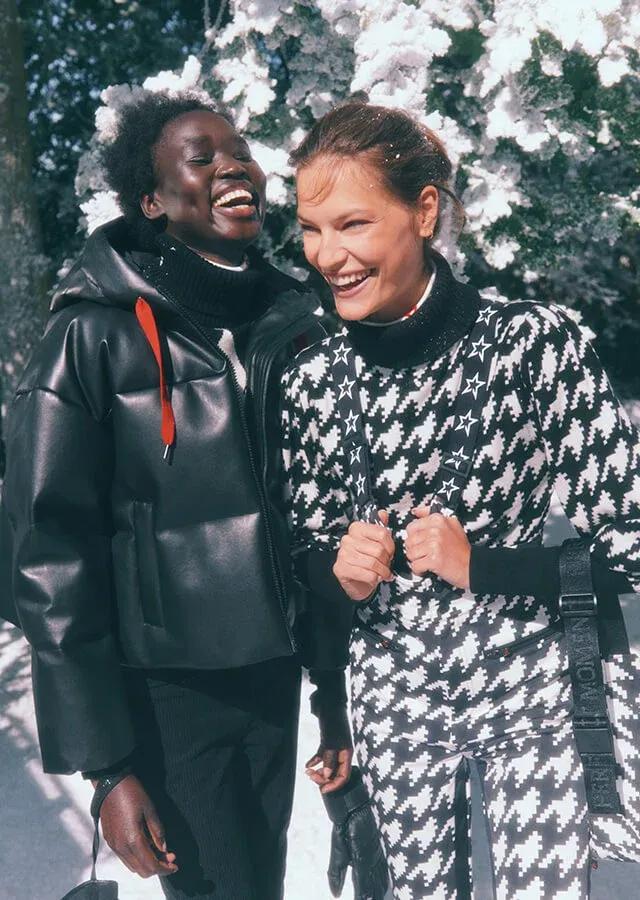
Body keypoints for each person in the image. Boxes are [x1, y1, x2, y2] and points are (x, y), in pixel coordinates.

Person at [281, 101, 640, 898]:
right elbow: (305, 566)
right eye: (311, 229)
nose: (327, 255)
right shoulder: (309, 382)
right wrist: (335, 574)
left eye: (352, 224)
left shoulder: (537, 345)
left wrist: (484, 566)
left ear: (424, 209)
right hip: (392, 695)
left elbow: (630, 544)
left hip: (531, 686)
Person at [1, 91, 353, 900]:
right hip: (165, 692)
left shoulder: (292, 321)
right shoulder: (91, 334)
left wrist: (333, 695)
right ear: (152, 201)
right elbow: (50, 555)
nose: (234, 167)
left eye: (240, 153)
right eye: (203, 157)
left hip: (274, 669)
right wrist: (108, 768)